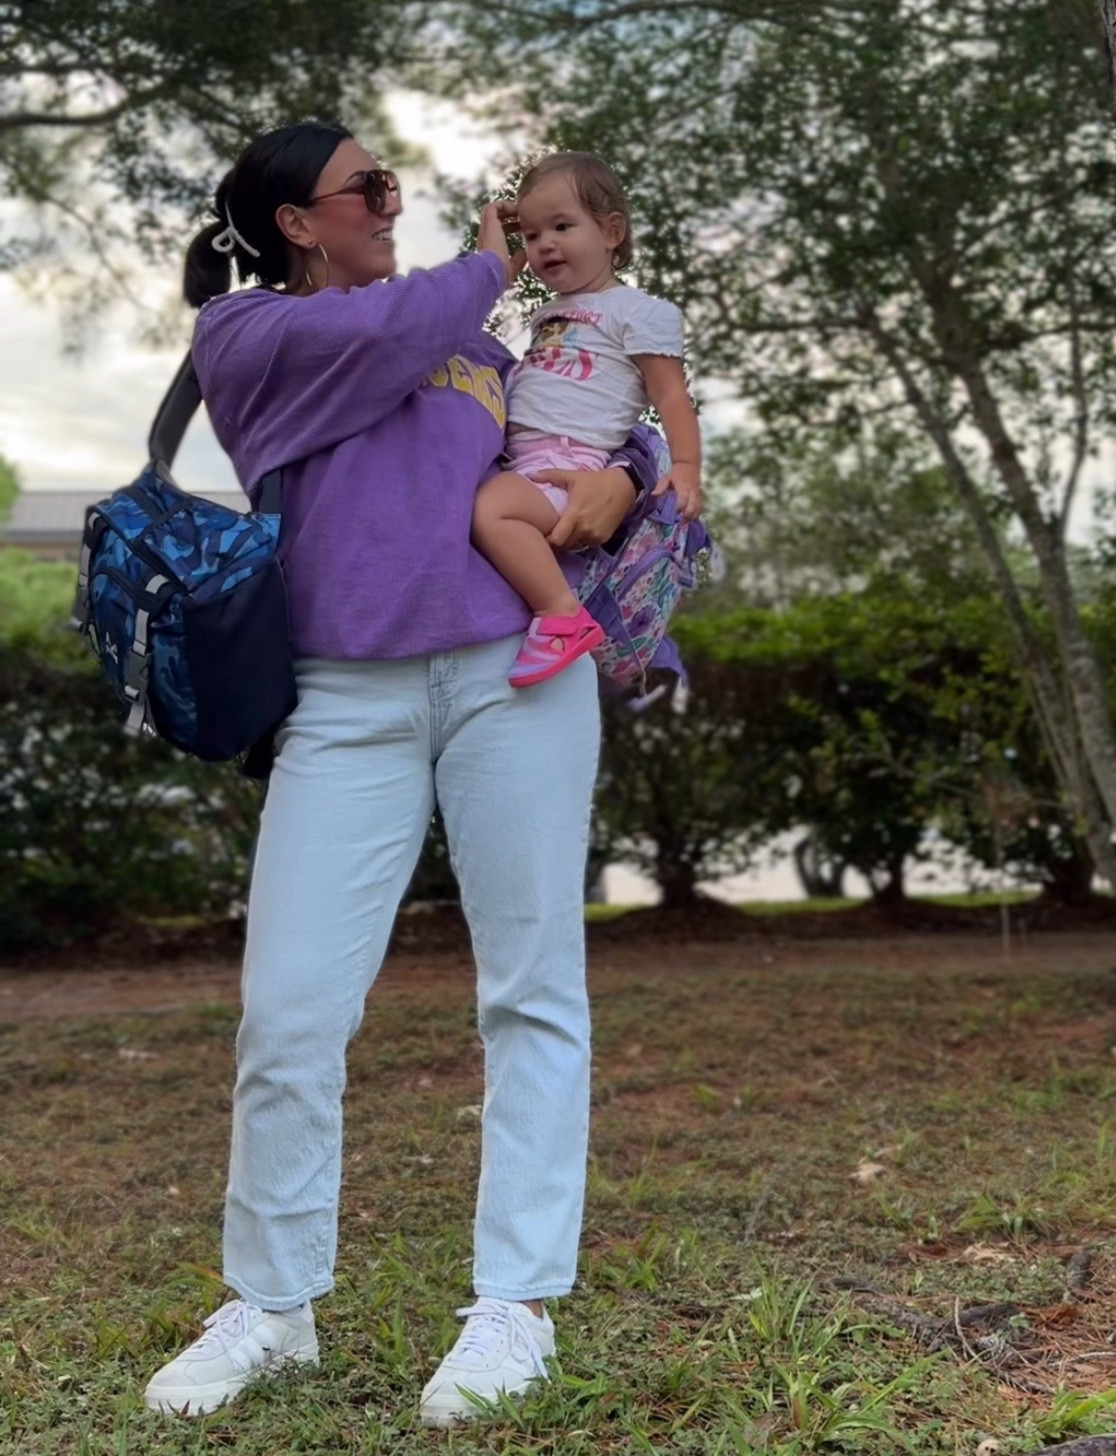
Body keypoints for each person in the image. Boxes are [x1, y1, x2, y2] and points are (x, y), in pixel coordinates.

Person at [141, 120, 658, 1427]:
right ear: (297, 224)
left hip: (509, 676)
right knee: (290, 1014)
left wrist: (624, 473)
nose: (393, 200)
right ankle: (270, 1306)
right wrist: (485, 266)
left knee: (531, 991)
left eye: (392, 182)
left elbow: (575, 411)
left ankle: (516, 1307)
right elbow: (379, 340)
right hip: (343, 699)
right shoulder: (249, 338)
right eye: (365, 188)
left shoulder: (469, 333)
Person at [471, 152, 703, 688]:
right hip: (526, 459)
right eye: (530, 234)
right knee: (490, 506)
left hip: (567, 461)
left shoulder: (638, 311)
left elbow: (671, 396)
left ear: (611, 231)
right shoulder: (549, 313)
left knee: (492, 512)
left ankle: (561, 616)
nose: (544, 243)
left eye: (561, 225)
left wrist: (686, 467)